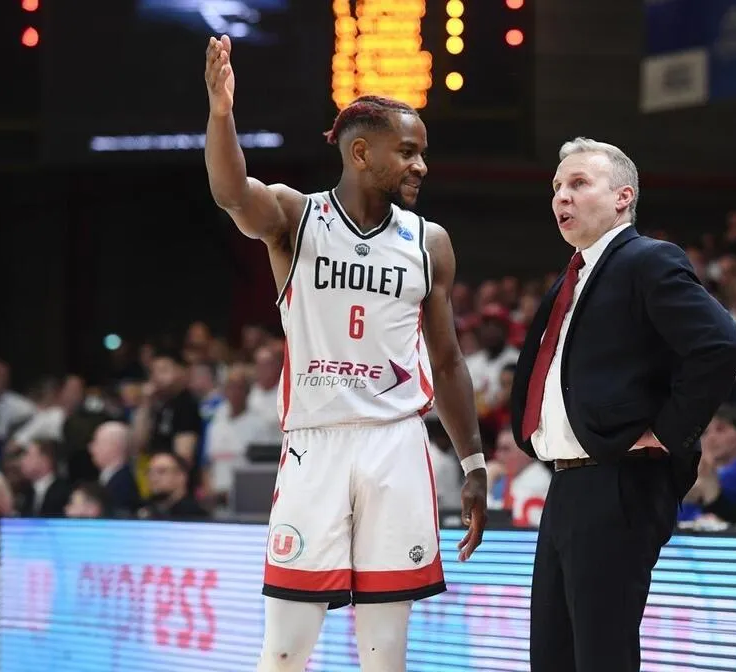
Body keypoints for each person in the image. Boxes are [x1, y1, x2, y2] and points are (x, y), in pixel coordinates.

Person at [203, 35, 488, 672]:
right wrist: (222, 115)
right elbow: (230, 191)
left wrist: (472, 461)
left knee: (386, 654)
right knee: (284, 649)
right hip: (317, 442)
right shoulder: (294, 218)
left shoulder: (429, 241)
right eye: (407, 152)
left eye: (423, 155)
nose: (421, 166)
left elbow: (446, 360)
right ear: (360, 152)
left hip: (397, 444)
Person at [510, 137, 736, 672]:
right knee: (554, 654)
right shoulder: (572, 276)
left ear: (622, 197)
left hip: (619, 480)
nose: (560, 198)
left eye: (578, 184)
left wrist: (667, 432)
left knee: (601, 653)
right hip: (568, 480)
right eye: (556, 188)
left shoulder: (647, 259)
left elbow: (721, 345)